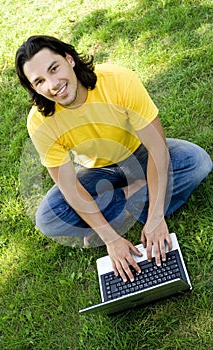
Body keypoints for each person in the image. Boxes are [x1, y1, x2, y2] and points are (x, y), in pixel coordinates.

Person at [15, 35, 212, 283]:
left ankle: (124, 208)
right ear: (34, 89)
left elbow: (158, 150)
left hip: (139, 154)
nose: (53, 85)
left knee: (197, 161)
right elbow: (70, 188)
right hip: (96, 171)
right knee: (48, 218)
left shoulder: (119, 80)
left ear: (69, 60)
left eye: (54, 69)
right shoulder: (39, 122)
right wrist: (110, 238)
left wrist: (155, 218)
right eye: (40, 81)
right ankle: (134, 196)